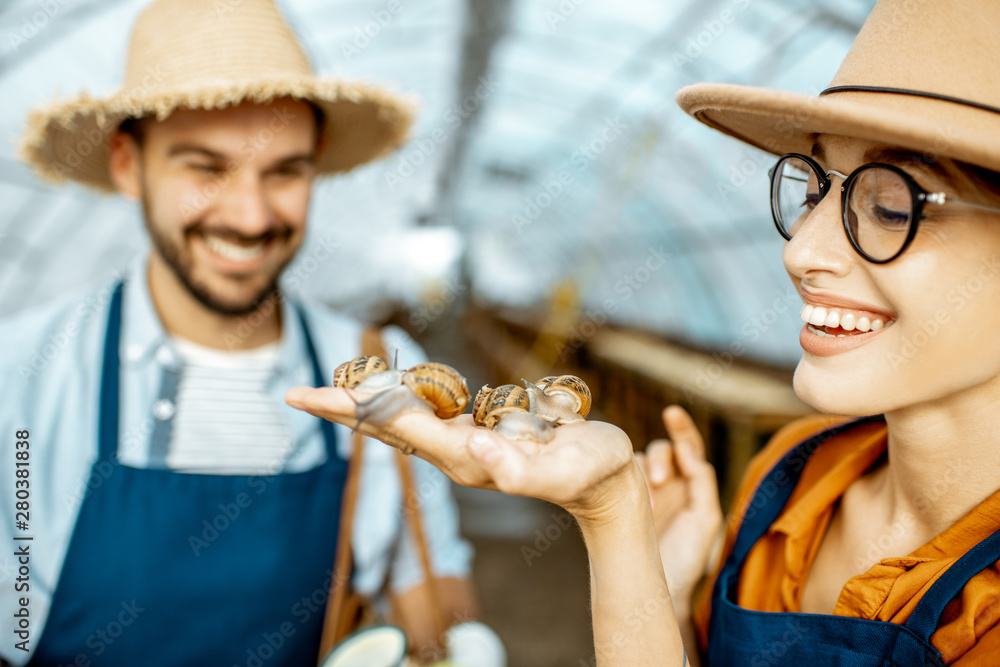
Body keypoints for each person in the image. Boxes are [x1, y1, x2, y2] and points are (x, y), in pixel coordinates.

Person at [285, 0, 1000, 664]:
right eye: (815, 188)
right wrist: (619, 520)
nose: (801, 251)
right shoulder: (793, 479)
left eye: (891, 205)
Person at [0, 0, 483, 664]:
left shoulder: (377, 367)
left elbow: (428, 584)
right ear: (126, 164)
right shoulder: (22, 374)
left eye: (285, 170)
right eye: (205, 166)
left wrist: (461, 642)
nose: (252, 216)